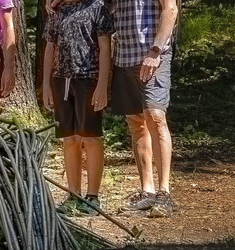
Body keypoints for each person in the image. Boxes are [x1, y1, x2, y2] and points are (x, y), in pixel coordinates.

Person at [41, 0, 113, 216]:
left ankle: (92, 197)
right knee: (70, 139)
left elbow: (105, 48)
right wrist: (46, 84)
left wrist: (102, 85)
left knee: (90, 138)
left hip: (88, 79)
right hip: (61, 79)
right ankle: (73, 195)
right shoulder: (57, 10)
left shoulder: (97, 8)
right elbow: (49, 47)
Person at [109, 0, 180, 217]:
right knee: (136, 122)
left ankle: (164, 192)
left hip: (154, 55)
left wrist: (156, 51)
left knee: (155, 116)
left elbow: (171, 9)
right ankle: (147, 191)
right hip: (123, 57)